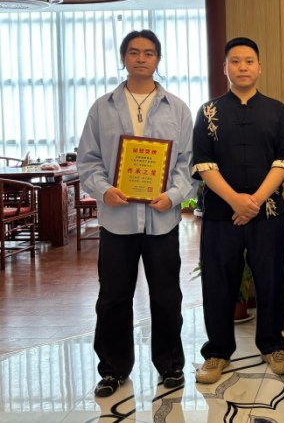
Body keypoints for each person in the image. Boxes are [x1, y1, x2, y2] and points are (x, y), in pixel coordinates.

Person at [77, 29, 196, 397]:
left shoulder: (177, 108)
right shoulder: (102, 107)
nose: (141, 58)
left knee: (166, 296)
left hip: (162, 219)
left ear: (158, 59)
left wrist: (173, 196)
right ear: (123, 58)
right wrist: (104, 190)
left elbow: (187, 163)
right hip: (118, 220)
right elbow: (88, 161)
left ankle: (170, 366)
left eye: (148, 53)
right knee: (113, 297)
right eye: (133, 52)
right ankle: (112, 370)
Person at [192, 37, 284, 383]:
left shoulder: (278, 111)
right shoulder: (208, 112)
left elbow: (283, 162)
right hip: (221, 213)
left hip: (267, 214)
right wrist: (236, 200)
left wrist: (254, 202)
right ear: (225, 68)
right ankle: (218, 352)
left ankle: (272, 345)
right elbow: (203, 164)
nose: (242, 67)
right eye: (235, 61)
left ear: (259, 67)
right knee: (218, 282)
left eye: (249, 61)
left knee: (270, 278)